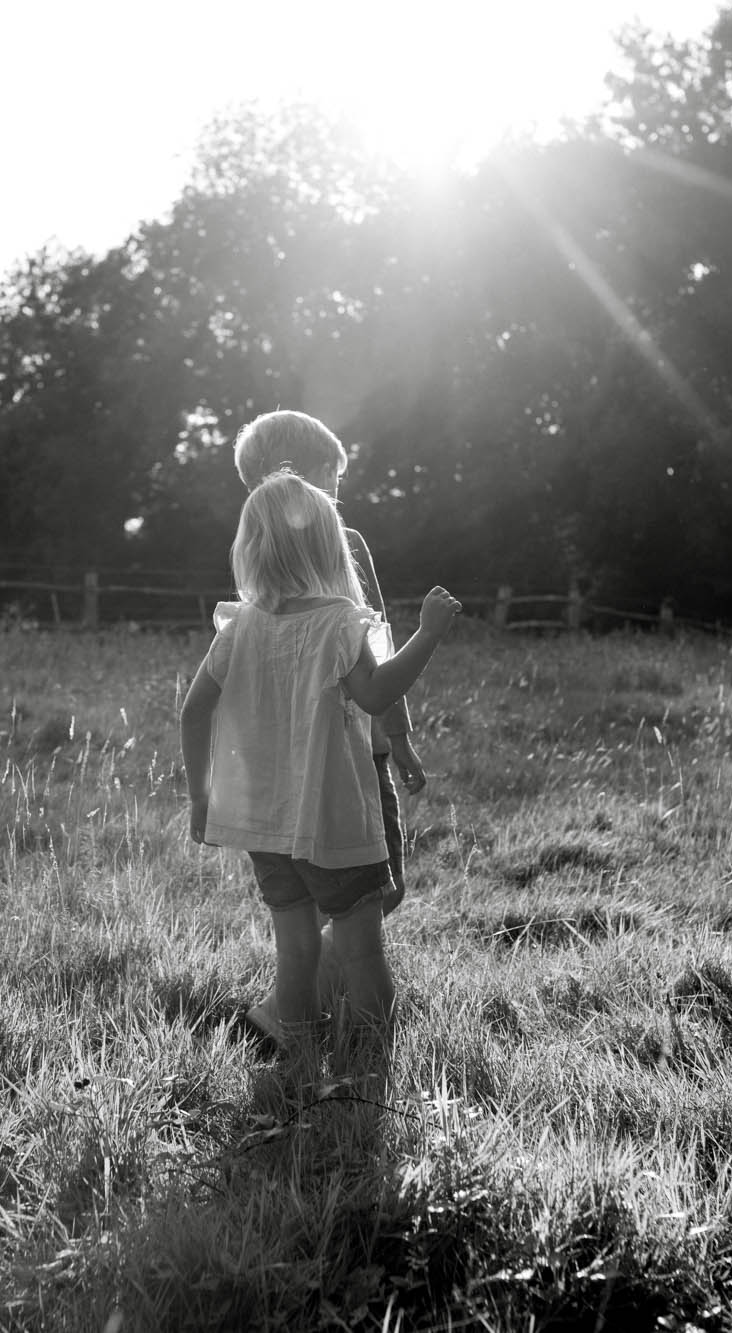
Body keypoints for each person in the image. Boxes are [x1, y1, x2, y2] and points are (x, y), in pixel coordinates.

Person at [181, 470, 461, 1096]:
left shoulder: (239, 627)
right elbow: (378, 693)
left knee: (297, 949)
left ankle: (301, 1068)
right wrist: (428, 633)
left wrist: (203, 795)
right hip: (332, 819)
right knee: (361, 952)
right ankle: (367, 1080)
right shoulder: (340, 623)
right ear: (331, 550)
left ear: (250, 550)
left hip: (260, 822)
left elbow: (193, 711)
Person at [229, 411, 427, 1044]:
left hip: (279, 760)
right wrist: (397, 738)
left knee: (314, 896)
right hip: (349, 751)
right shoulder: (344, 543)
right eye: (332, 481)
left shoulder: (252, 552)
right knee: (377, 888)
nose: (338, 499)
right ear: (299, 477)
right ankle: (290, 1012)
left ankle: (294, 1012)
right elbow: (376, 647)